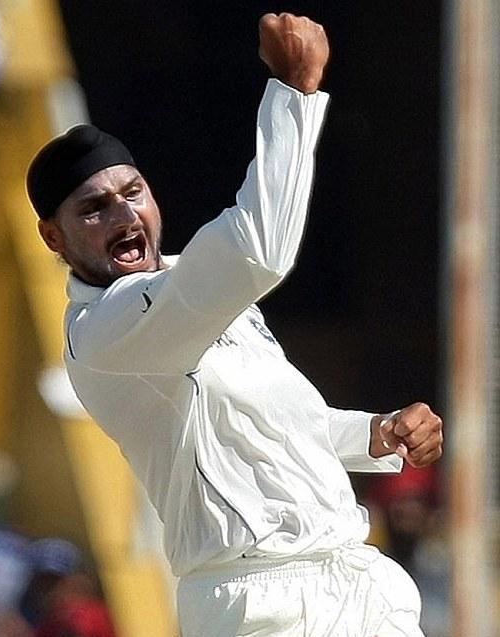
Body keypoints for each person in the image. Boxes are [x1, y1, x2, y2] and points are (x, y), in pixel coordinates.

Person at [26, 13, 443, 637]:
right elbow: (258, 251)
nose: (122, 212)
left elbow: (283, 423)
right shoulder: (103, 331)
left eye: (132, 191)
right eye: (93, 208)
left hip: (356, 582)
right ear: (53, 237)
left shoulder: (200, 293)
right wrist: (295, 94)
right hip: (261, 602)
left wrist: (378, 434)